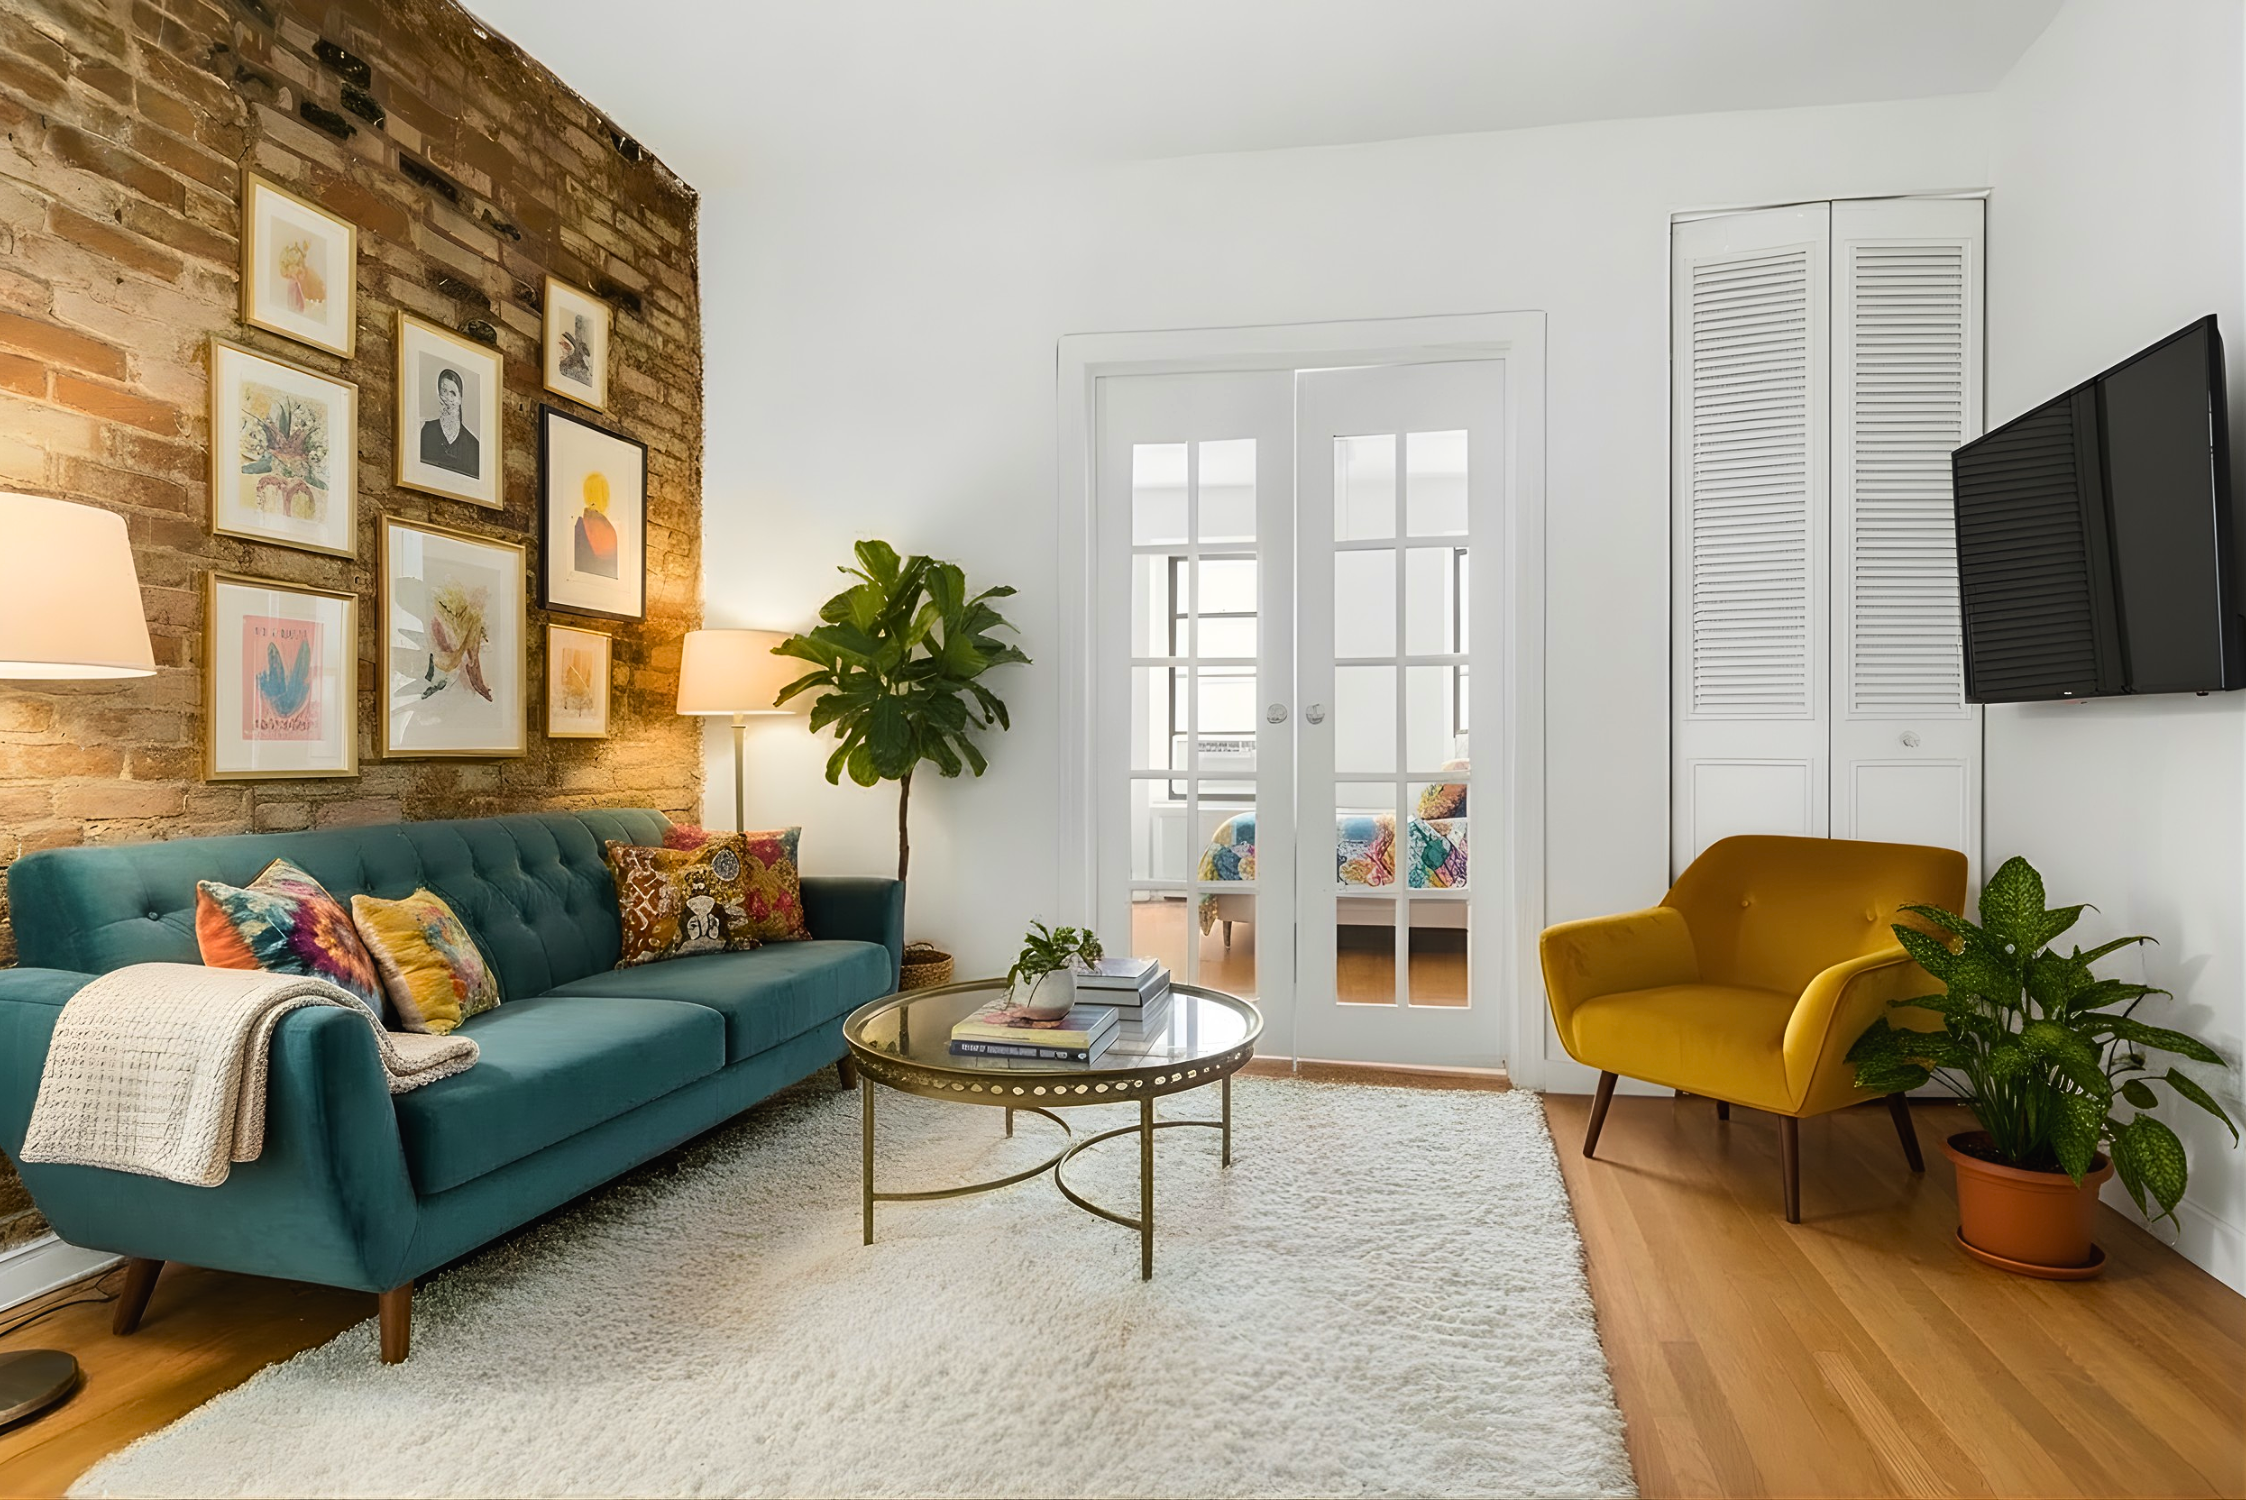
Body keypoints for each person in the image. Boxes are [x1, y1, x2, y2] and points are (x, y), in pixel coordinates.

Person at [419, 366, 479, 478]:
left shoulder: (473, 445)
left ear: (460, 398)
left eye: (453, 393)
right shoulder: (427, 430)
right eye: (444, 391)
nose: (447, 397)